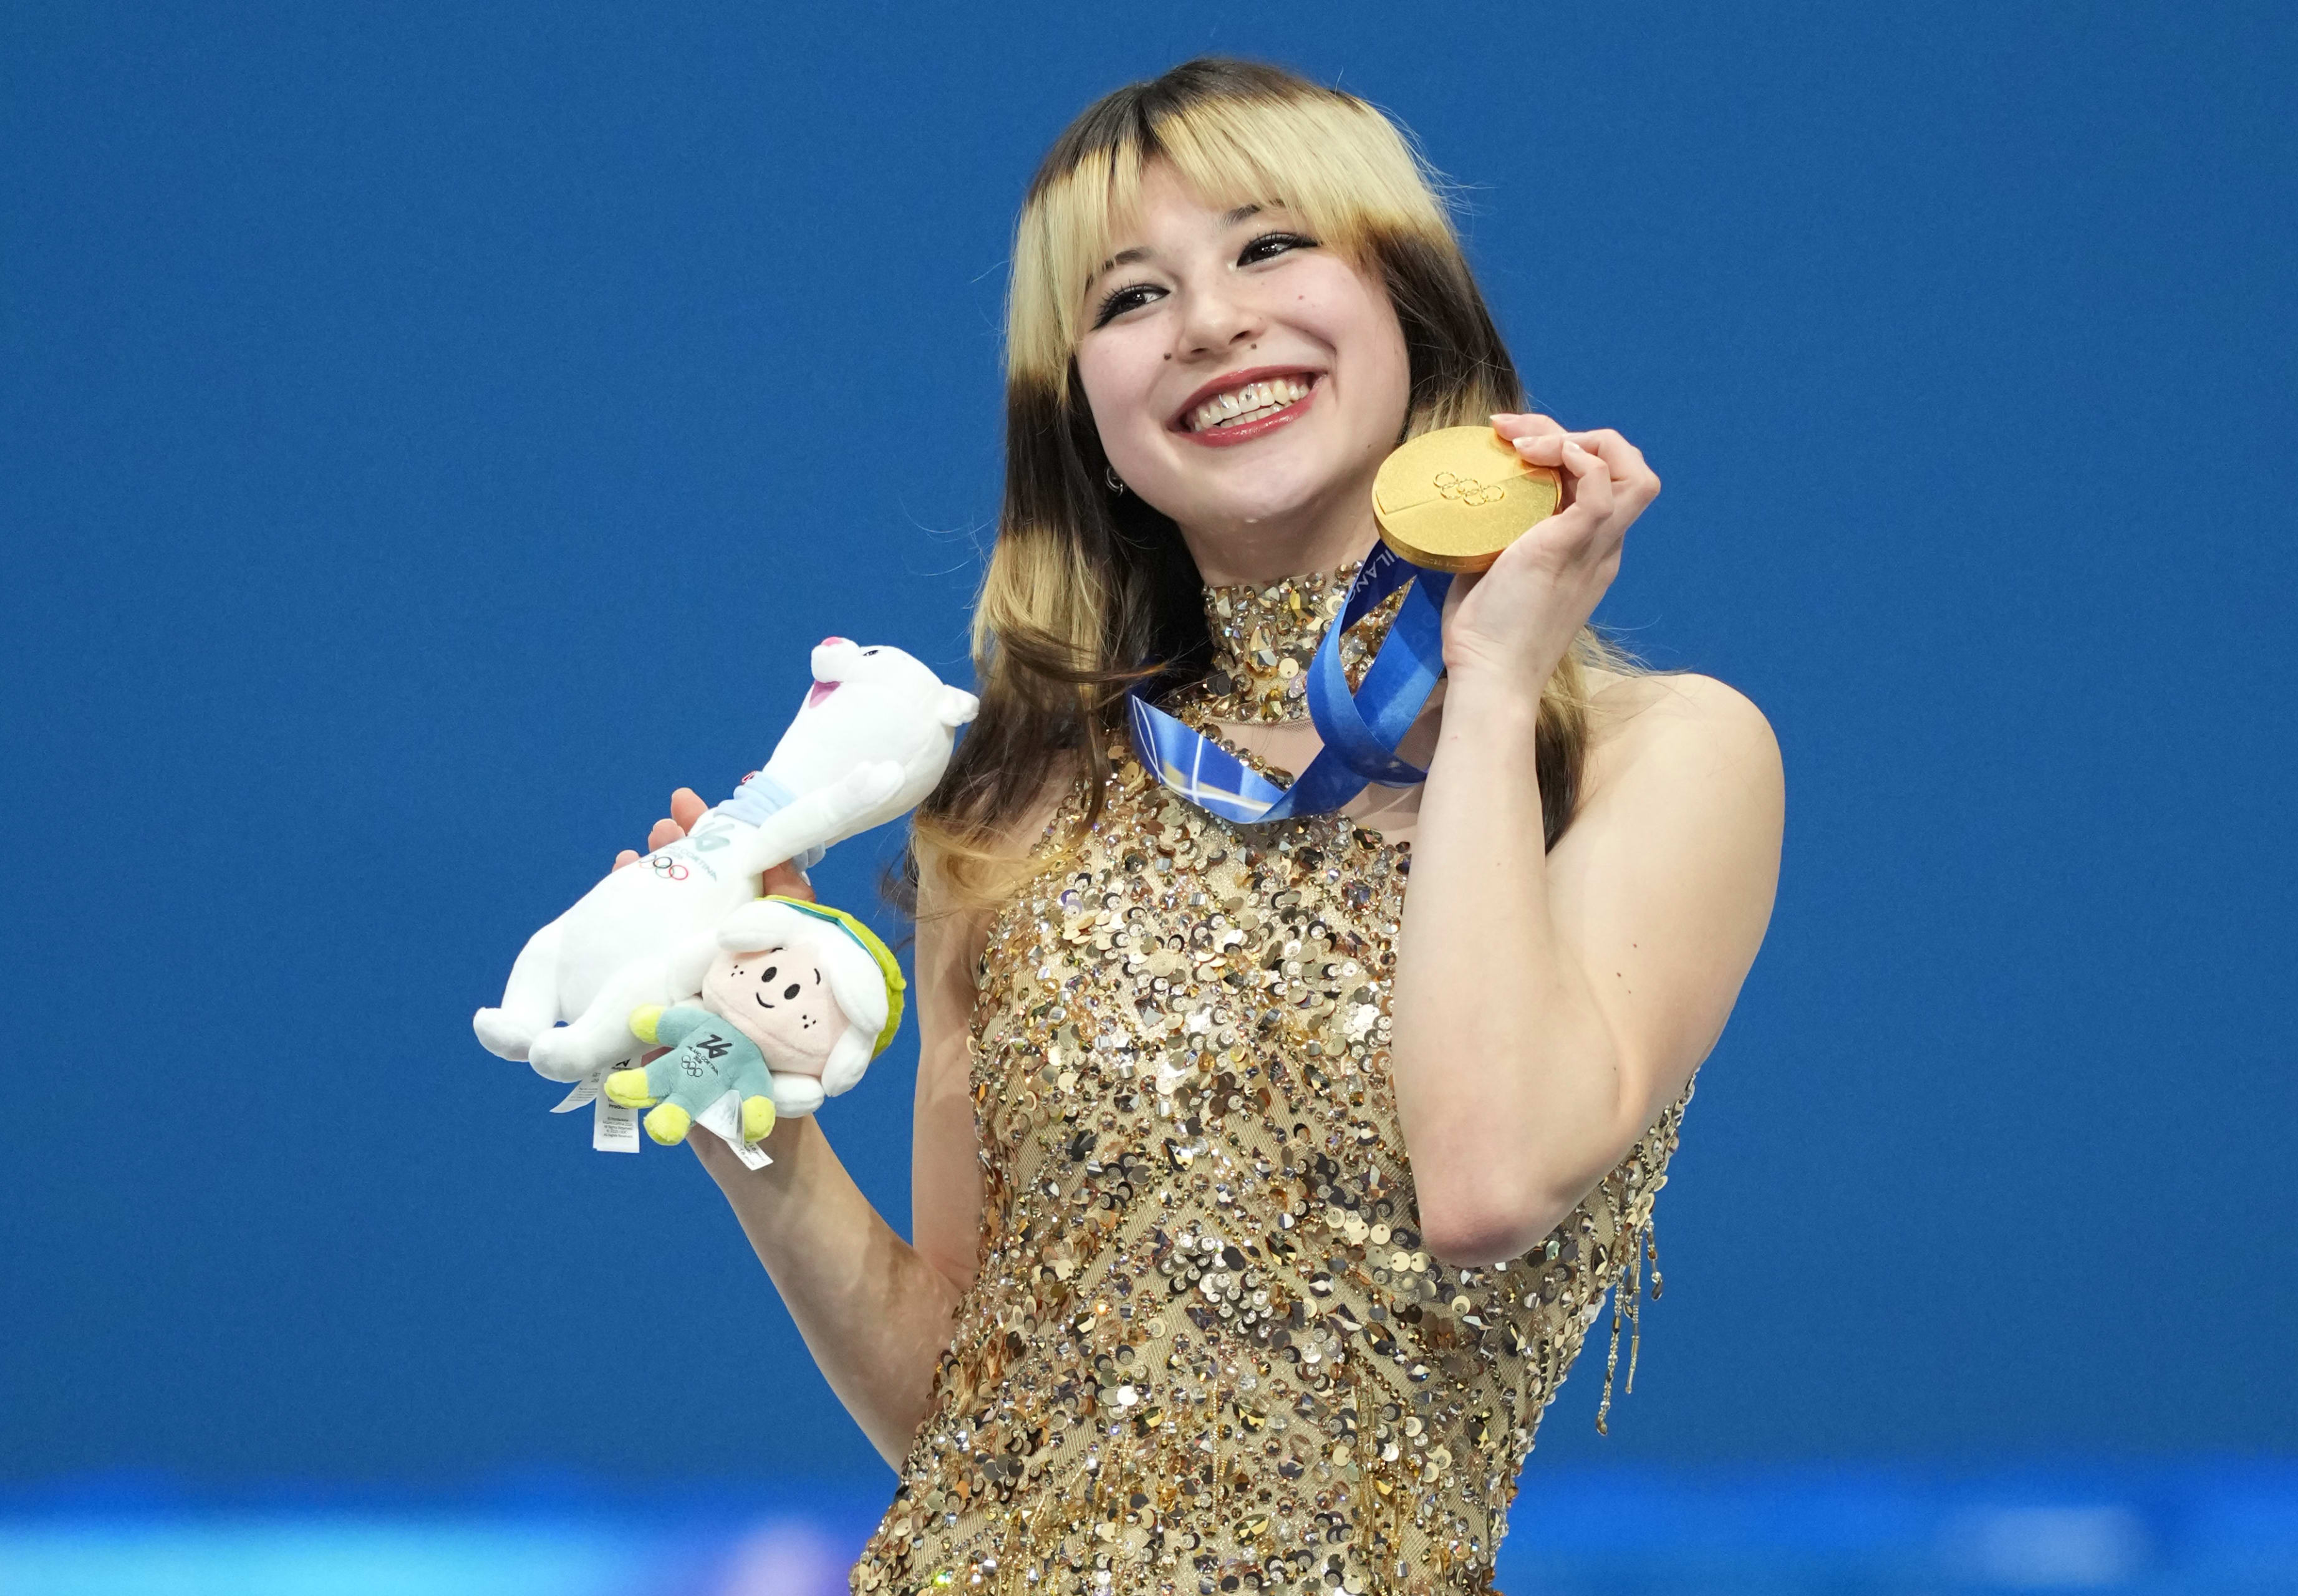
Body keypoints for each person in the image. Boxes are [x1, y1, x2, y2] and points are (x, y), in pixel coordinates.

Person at [617, 57, 1783, 1596]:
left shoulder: (1656, 756)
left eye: (1270, 245)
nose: (1211, 322)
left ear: (1409, 301)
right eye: (1130, 297)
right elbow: (976, 1429)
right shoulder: (1016, 805)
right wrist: (747, 1113)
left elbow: (1488, 1180)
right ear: (1084, 412)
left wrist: (1495, 680)